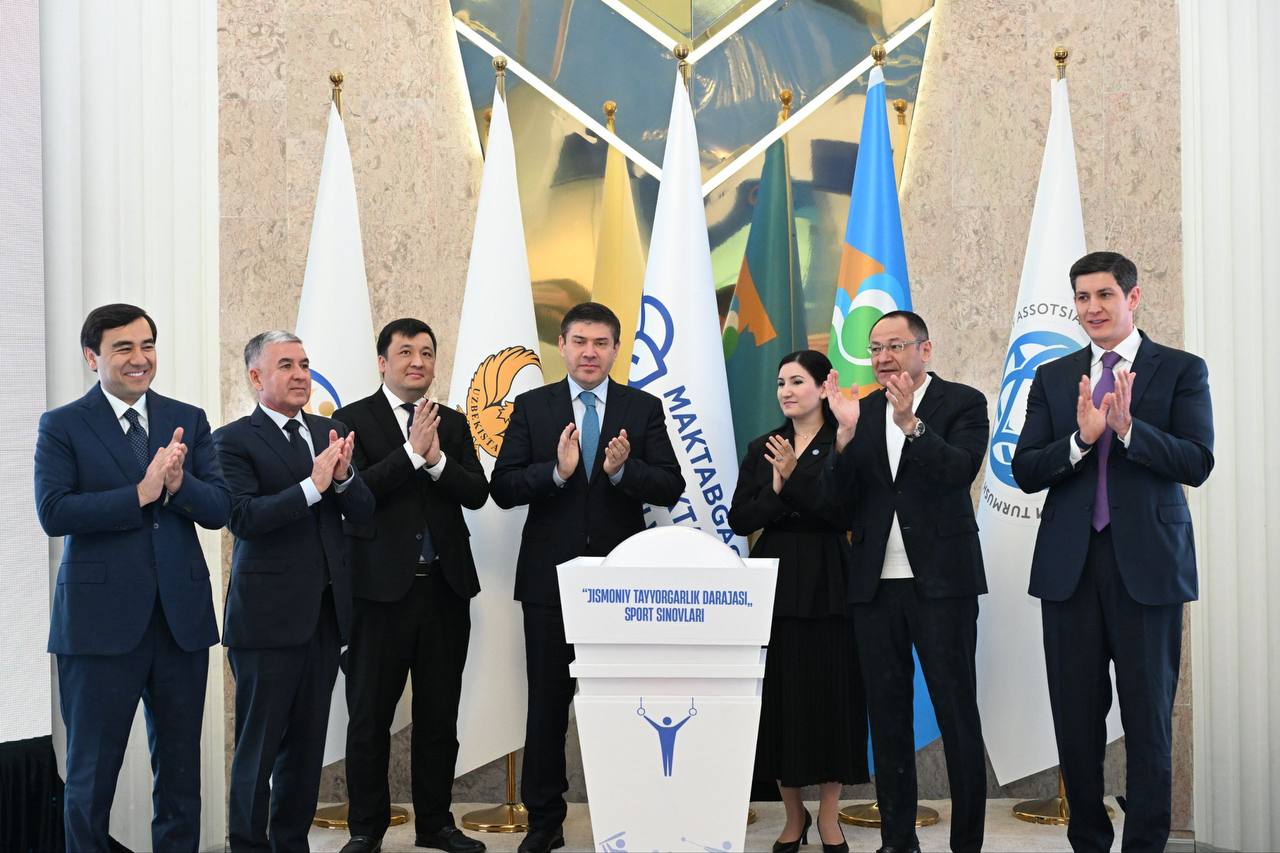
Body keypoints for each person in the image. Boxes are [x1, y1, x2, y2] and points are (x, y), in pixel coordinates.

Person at [1012, 251, 1214, 853]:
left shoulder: (1180, 369)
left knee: (1148, 719)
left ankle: (1145, 843)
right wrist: (1081, 440)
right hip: (1069, 570)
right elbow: (1025, 470)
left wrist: (1128, 431)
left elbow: (1197, 461)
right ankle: (1089, 842)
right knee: (1076, 720)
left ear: (1133, 298)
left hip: (1148, 569)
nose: (1092, 308)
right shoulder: (1053, 376)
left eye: (1104, 295)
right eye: (1082, 297)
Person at [34, 303, 230, 853]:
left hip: (179, 624)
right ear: (91, 357)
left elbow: (219, 507)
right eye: (123, 348)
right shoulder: (62, 425)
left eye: (147, 345)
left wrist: (178, 486)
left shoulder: (187, 418)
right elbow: (54, 511)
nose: (139, 358)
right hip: (97, 628)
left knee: (181, 778)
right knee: (91, 779)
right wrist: (140, 494)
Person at [490, 302, 685, 853]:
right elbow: (502, 487)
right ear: (562, 345)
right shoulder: (533, 407)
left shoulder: (642, 408)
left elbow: (670, 485)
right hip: (549, 584)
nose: (590, 352)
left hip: (621, 586)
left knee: (624, 706)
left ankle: (625, 814)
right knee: (548, 706)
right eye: (580, 341)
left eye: (601, 343)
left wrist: (623, 472)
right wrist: (557, 473)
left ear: (616, 349)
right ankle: (544, 821)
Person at [821, 310, 989, 853]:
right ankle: (897, 841)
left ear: (925, 349)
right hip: (875, 586)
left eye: (895, 345)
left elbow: (960, 470)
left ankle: (966, 843)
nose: (884, 357)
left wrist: (912, 424)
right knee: (887, 717)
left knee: (956, 713)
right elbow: (837, 503)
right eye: (875, 349)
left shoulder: (962, 403)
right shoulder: (862, 411)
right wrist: (843, 437)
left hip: (942, 583)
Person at [214, 330, 375, 852]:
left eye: (304, 364)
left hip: (325, 619)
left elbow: (364, 512)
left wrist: (344, 478)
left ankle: (290, 843)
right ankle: (247, 845)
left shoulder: (332, 431)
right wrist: (313, 486)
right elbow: (243, 518)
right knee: (258, 750)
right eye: (286, 365)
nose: (301, 374)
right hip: (265, 622)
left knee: (306, 752)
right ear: (256, 376)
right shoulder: (232, 440)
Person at [333, 318, 488, 853]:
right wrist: (410, 454)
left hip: (445, 589)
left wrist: (437, 459)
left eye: (426, 352)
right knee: (369, 718)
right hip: (377, 595)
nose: (417, 361)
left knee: (439, 717)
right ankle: (366, 829)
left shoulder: (453, 422)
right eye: (405, 352)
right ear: (383, 362)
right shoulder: (352, 420)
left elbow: (477, 493)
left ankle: (436, 824)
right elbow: (356, 494)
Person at [728, 350, 868, 853]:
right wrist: (778, 487)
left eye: (797, 381)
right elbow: (740, 518)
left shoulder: (845, 438)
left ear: (823, 387)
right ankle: (793, 816)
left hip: (830, 579)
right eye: (780, 383)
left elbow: (844, 512)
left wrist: (796, 478)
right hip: (777, 578)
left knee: (832, 697)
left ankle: (829, 816)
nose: (786, 391)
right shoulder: (764, 446)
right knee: (780, 702)